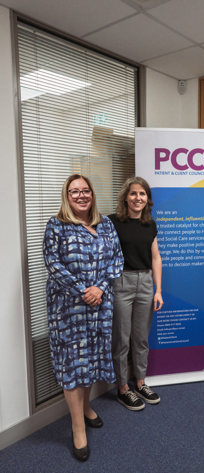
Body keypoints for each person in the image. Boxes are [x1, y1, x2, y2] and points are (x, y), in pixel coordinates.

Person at [43, 174, 124, 461]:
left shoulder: (106, 224)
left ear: (92, 194)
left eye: (85, 190)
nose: (80, 195)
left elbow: (117, 259)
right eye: (74, 191)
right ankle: (78, 427)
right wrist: (83, 290)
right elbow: (52, 263)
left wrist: (99, 288)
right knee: (72, 364)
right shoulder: (56, 226)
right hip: (69, 309)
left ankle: (87, 407)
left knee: (90, 360)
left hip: (100, 305)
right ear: (67, 196)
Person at [108, 176, 163, 411]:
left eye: (142, 194)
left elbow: (156, 257)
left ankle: (140, 382)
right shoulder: (111, 222)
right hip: (122, 281)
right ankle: (123, 388)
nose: (137, 198)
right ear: (126, 197)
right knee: (122, 339)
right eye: (133, 193)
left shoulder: (150, 224)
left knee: (141, 338)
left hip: (145, 282)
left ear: (147, 199)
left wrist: (158, 290)